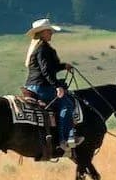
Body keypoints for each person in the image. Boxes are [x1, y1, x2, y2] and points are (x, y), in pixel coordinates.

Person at [24, 18, 82, 149]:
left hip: (32, 85)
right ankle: (66, 138)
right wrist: (57, 87)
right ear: (42, 32)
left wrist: (63, 66)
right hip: (41, 86)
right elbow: (46, 71)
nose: (51, 33)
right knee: (66, 103)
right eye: (49, 31)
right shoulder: (43, 48)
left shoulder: (37, 48)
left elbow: (49, 67)